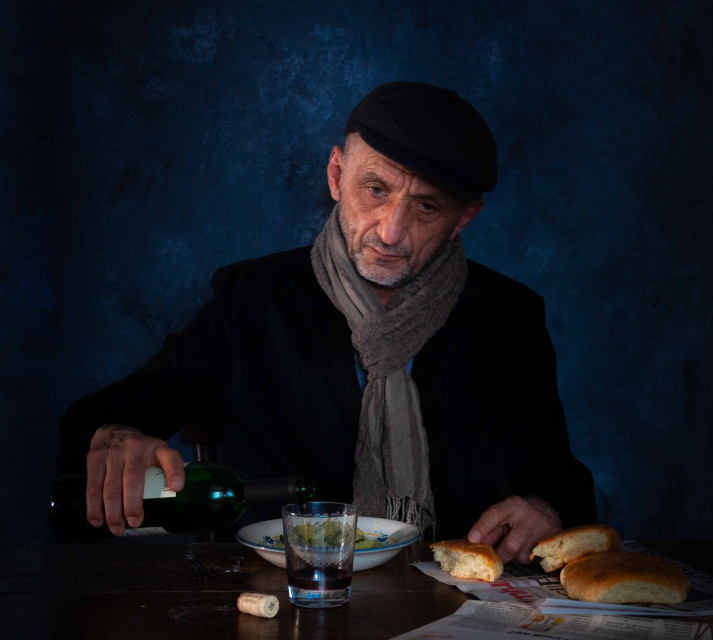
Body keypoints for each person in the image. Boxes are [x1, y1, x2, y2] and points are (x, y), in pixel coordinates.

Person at [56, 81, 596, 564]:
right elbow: (88, 423)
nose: (390, 232)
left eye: (427, 207)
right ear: (337, 175)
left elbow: (562, 480)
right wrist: (115, 436)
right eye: (375, 190)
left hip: (455, 606)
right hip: (281, 602)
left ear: (463, 218)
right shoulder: (249, 300)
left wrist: (545, 506)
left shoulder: (509, 316)